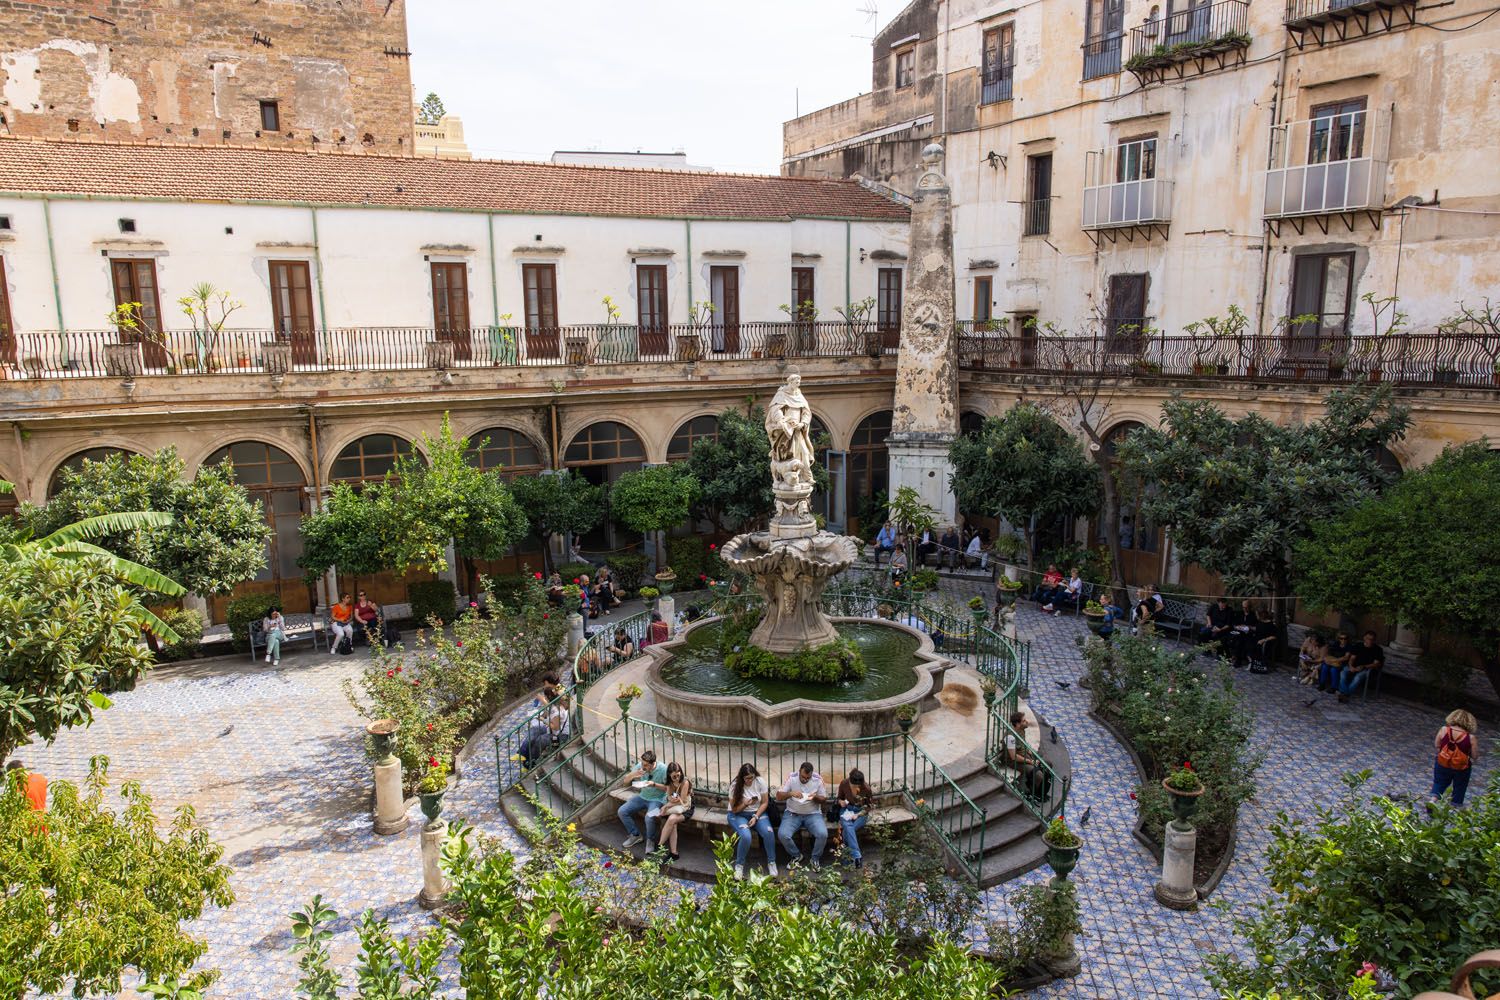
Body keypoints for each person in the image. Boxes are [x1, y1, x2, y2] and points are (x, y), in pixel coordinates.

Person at [727, 762, 778, 880]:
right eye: (747, 778)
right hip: (738, 814)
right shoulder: (735, 786)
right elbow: (734, 810)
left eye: (751, 777)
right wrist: (745, 804)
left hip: (757, 812)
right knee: (746, 836)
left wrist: (755, 817)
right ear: (742, 778)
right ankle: (739, 866)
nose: (750, 781)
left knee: (769, 832)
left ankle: (772, 862)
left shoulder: (760, 781)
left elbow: (765, 802)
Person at [776, 761, 828, 867]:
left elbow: (823, 799)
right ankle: (796, 856)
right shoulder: (792, 778)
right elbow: (778, 796)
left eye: (808, 778)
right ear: (799, 771)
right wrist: (790, 793)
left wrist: (815, 797)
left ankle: (815, 859)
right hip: (792, 813)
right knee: (783, 834)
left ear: (811, 774)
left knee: (823, 834)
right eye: (803, 777)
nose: (805, 780)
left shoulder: (817, 779)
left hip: (813, 813)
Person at [618, 749, 668, 849]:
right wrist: (633, 774)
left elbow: (668, 788)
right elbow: (625, 782)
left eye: (645, 765)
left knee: (649, 817)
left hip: (658, 800)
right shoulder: (640, 767)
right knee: (622, 811)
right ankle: (635, 835)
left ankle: (650, 840)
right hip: (642, 796)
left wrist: (654, 784)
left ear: (653, 763)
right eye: (642, 763)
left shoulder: (663, 769)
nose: (642, 767)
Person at [1430, 710, 1479, 808]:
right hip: (1461, 767)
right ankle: (1453, 807)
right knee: (1460, 786)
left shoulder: (1444, 730)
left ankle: (1432, 801)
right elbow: (1475, 756)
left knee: (1439, 782)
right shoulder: (1471, 738)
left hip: (1443, 763)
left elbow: (1437, 744)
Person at [1003, 711, 1050, 801]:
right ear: (1017, 724)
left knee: (1048, 764)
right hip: (1015, 761)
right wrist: (1030, 761)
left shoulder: (1021, 730)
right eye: (1024, 721)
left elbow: (1022, 744)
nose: (1027, 722)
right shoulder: (1010, 737)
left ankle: (1039, 789)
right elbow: (1013, 757)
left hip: (1024, 755)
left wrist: (1029, 752)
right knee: (1039, 775)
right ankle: (1035, 793)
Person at [653, 762, 694, 862]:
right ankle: (674, 853)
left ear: (681, 772)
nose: (676, 778)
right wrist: (670, 800)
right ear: (669, 775)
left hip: (685, 807)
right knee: (673, 823)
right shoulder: (669, 782)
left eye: (678, 774)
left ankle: (659, 846)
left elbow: (683, 801)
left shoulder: (685, 782)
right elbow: (669, 796)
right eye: (674, 776)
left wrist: (666, 806)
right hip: (674, 806)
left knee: (671, 819)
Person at [835, 768, 875, 868]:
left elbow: (869, 806)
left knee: (847, 831)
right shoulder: (844, 783)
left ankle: (847, 860)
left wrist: (858, 814)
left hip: (860, 812)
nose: (857, 787)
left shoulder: (866, 788)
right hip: (846, 810)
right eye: (854, 785)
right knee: (849, 828)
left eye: (859, 786)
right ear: (850, 781)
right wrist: (841, 802)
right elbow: (839, 798)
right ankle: (857, 856)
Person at [519, 694, 570, 769]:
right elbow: (547, 713)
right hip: (552, 731)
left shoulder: (560, 711)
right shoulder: (556, 708)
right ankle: (523, 754)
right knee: (535, 730)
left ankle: (530, 763)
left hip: (560, 737)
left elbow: (555, 727)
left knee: (540, 740)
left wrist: (544, 720)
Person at [1338, 630, 1385, 702]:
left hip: (1367, 669)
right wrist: (1350, 666)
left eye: (1372, 639)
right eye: (1368, 638)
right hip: (1354, 666)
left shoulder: (1378, 649)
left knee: (1358, 677)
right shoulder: (1358, 645)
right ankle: (1345, 693)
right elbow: (1352, 658)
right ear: (1364, 638)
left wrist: (1364, 666)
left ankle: (1345, 694)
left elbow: (1376, 664)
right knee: (1343, 673)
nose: (1369, 641)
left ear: (1374, 640)